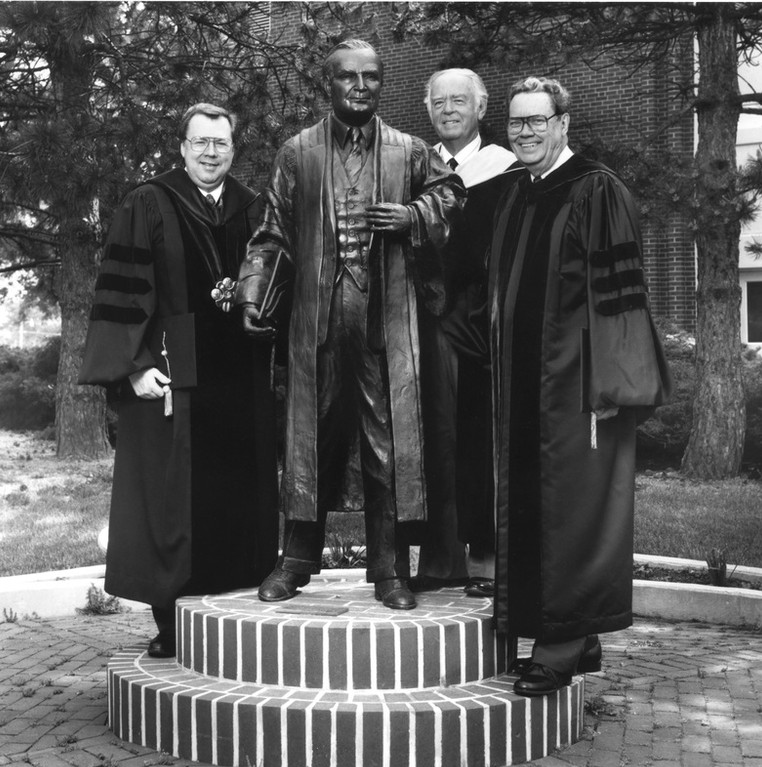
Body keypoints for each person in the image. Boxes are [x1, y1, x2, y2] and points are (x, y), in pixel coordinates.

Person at [236, 40, 465, 610]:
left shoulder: (409, 150)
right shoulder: (298, 152)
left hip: (383, 321)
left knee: (384, 442)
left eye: (371, 77)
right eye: (348, 78)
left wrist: (413, 214)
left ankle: (389, 568)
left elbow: (452, 195)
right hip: (317, 319)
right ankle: (295, 561)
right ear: (328, 85)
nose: (360, 87)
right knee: (310, 440)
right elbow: (271, 230)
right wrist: (254, 292)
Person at [487, 77, 671, 695]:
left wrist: (612, 388)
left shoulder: (597, 190)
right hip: (523, 388)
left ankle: (562, 643)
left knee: (570, 510)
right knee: (535, 509)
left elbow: (621, 298)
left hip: (576, 388)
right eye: (517, 123)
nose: (527, 132)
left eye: (538, 121)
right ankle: (568, 632)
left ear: (564, 123)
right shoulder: (518, 191)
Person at [79, 103, 280, 657]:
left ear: (234, 148)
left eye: (221, 143)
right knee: (171, 501)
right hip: (172, 375)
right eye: (200, 142)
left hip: (241, 377)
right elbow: (122, 295)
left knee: (243, 489)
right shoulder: (149, 203)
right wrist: (136, 368)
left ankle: (236, 621)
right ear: (183, 147)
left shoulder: (254, 208)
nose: (210, 152)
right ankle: (172, 625)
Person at [413, 68, 517, 597]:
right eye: (439, 102)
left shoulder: (508, 170)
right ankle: (437, 559)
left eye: (459, 101)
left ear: (481, 108)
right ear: (428, 109)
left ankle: (488, 562)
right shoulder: (415, 169)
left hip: (483, 324)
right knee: (433, 437)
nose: (449, 109)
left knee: (481, 438)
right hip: (425, 324)